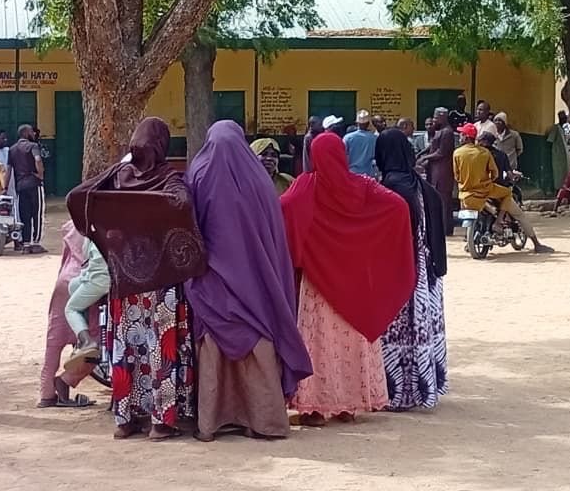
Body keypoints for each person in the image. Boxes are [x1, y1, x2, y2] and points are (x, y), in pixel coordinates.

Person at [66, 118, 196, 441]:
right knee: (160, 349)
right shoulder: (168, 178)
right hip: (161, 281)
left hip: (124, 280)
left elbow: (78, 196)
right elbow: (183, 203)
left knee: (128, 349)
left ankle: (125, 420)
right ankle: (160, 423)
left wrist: (104, 236)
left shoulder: (118, 177)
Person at [186, 121, 313, 440]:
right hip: (257, 281)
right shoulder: (259, 179)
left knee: (214, 345)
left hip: (213, 282)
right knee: (259, 341)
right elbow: (273, 235)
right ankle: (264, 421)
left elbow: (189, 228)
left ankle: (212, 421)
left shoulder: (199, 173)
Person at [281, 132, 415, 426]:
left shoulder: (306, 185)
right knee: (351, 342)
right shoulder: (363, 186)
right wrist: (367, 242)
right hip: (355, 284)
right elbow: (398, 206)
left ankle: (315, 409)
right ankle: (348, 406)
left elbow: (284, 209)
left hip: (318, 284)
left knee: (318, 342)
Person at [375, 128, 448, 410]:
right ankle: (422, 387)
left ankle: (398, 393)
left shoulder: (390, 188)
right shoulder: (421, 185)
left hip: (401, 272)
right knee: (420, 329)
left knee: (398, 333)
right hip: (426, 271)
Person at [454, 123, 552, 253]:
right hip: (488, 190)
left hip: (466, 193)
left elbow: (456, 175)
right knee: (518, 213)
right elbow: (495, 173)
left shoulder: (457, 153)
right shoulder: (490, 154)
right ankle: (534, 243)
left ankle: (469, 240)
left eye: (462, 134)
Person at [38, 221, 98, 408]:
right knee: (98, 342)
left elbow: (65, 258)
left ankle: (46, 393)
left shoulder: (73, 225)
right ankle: (66, 381)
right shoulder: (103, 222)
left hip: (64, 281)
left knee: (54, 341)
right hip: (89, 283)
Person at [61, 229, 110, 368]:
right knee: (73, 286)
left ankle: (87, 341)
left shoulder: (93, 231)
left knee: (70, 309)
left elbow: (95, 266)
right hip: (99, 274)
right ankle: (82, 336)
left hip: (100, 279)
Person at [8, 124, 47, 254]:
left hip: (20, 186)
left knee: (24, 215)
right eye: (31, 131)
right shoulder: (33, 146)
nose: (34, 134)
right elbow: (38, 160)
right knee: (37, 214)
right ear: (26, 133)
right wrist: (40, 174)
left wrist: (5, 186)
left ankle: (25, 244)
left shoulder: (12, 149)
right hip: (34, 184)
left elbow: (8, 170)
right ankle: (35, 243)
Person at [418, 107, 456, 236]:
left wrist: (426, 158)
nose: (434, 120)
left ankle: (444, 229)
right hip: (435, 171)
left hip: (442, 172)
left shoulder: (447, 132)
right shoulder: (440, 131)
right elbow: (432, 146)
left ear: (443, 117)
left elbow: (441, 152)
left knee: (444, 202)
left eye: (436, 117)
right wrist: (422, 153)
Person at [344, 109, 379, 176]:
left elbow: (343, 156)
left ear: (357, 123)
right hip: (369, 174)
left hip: (352, 173)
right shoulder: (375, 138)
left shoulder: (348, 138)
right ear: (368, 123)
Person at [545, 110, 570, 195]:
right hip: (557, 156)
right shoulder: (555, 128)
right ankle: (557, 191)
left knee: (565, 173)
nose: (565, 119)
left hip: (564, 156)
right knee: (558, 175)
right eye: (564, 118)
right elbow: (550, 141)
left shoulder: (564, 128)